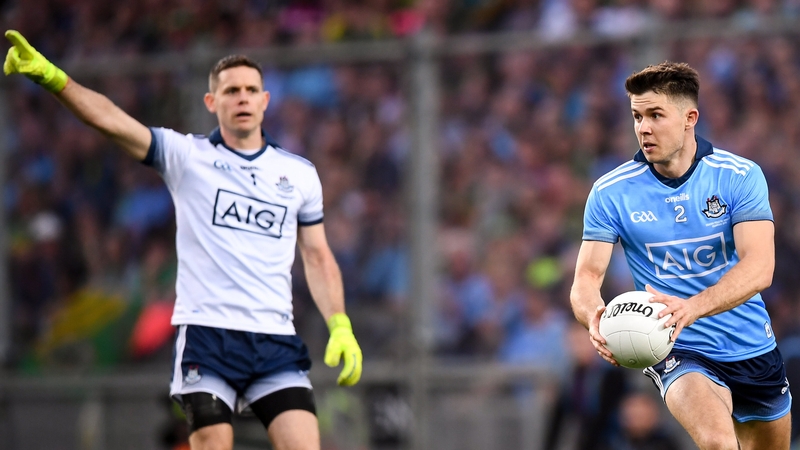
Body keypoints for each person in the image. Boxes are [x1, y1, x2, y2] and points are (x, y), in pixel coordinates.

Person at [4, 30, 363, 450]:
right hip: (208, 339)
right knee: (211, 442)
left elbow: (317, 255)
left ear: (266, 101)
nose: (242, 98)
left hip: (274, 340)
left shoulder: (299, 174)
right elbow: (110, 119)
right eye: (231, 91)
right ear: (212, 103)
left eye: (251, 90)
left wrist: (340, 324)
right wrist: (54, 78)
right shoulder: (186, 157)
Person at [569, 61, 792, 450]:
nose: (644, 127)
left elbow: (760, 267)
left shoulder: (738, 176)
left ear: (690, 118)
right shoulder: (610, 192)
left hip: (752, 346)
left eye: (656, 115)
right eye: (637, 116)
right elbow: (586, 278)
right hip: (676, 346)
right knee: (719, 443)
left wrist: (692, 307)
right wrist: (593, 316)